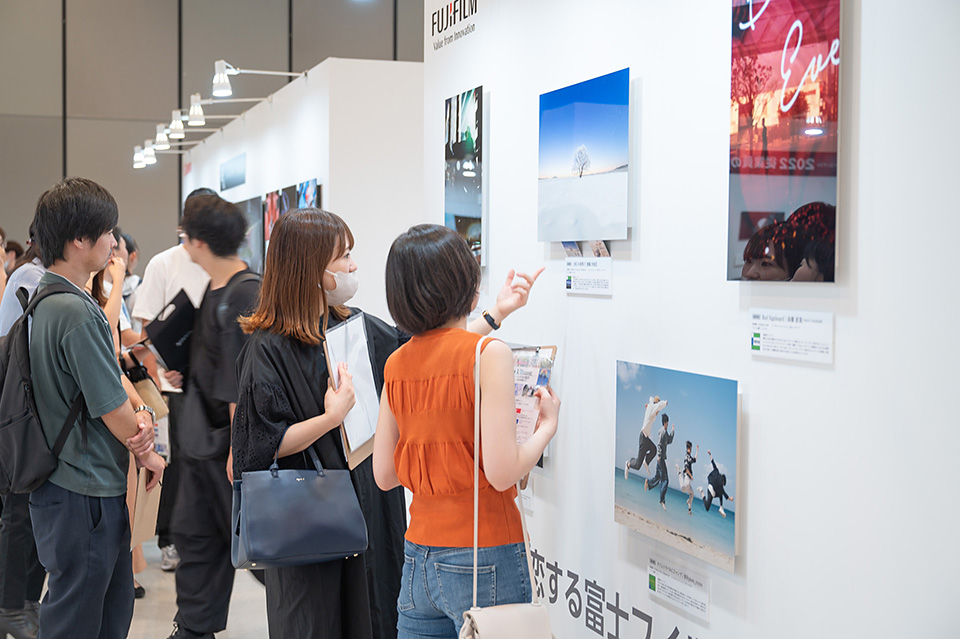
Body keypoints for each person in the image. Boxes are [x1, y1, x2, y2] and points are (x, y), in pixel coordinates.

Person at [233, 211, 541, 639]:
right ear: (311, 268)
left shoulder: (354, 325)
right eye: (343, 257)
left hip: (373, 511)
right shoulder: (267, 348)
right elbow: (257, 446)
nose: (353, 265)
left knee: (377, 613)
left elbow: (432, 352)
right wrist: (330, 418)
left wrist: (495, 314)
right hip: (308, 521)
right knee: (315, 622)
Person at [373, 224, 560, 639]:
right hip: (485, 553)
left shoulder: (396, 364)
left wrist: (497, 315)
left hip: (418, 556)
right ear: (467, 287)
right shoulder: (490, 354)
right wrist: (546, 429)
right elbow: (502, 473)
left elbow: (384, 475)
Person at [28, 177, 164, 639]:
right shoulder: (75, 311)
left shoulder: (46, 300)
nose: (113, 242)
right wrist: (144, 434)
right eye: (107, 232)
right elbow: (113, 407)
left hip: (64, 486)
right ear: (78, 240)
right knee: (83, 619)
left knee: (89, 610)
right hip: (84, 490)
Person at [163, 194, 259, 639]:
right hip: (202, 447)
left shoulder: (244, 293)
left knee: (260, 554)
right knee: (196, 540)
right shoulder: (216, 288)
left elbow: (243, 384)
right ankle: (192, 630)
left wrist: (239, 451)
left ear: (198, 242)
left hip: (226, 454)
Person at [131, 188, 213, 574]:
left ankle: (207, 535)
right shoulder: (165, 263)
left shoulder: (222, 264)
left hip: (214, 384)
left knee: (209, 461)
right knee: (175, 464)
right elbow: (148, 325)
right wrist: (165, 365)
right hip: (174, 385)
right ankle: (169, 539)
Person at [0, 228, 45, 639]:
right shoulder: (29, 277)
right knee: (17, 513)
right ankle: (10, 606)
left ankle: (27, 601)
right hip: (19, 408)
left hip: (35, 410)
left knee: (32, 513)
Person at [625, 395, 667, 480]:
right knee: (637, 466)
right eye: (657, 411)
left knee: (654, 450)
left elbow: (652, 415)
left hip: (645, 438)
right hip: (643, 439)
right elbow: (659, 406)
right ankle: (628, 464)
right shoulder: (653, 407)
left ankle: (645, 461)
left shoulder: (650, 410)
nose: (657, 412)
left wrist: (649, 408)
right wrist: (665, 403)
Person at [644, 413, 674, 510]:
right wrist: (659, 455)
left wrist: (673, 431)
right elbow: (659, 444)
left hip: (661, 458)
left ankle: (648, 482)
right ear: (665, 422)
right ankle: (662, 500)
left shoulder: (665, 432)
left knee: (658, 476)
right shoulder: (662, 432)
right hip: (660, 458)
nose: (668, 424)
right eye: (667, 423)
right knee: (665, 479)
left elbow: (669, 441)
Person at [698, 450, 734, 518]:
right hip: (712, 491)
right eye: (723, 484)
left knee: (707, 508)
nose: (723, 485)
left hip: (710, 489)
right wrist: (730, 498)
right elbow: (724, 493)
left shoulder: (717, 471)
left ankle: (701, 491)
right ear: (723, 481)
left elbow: (713, 463)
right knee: (721, 493)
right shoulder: (720, 484)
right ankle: (721, 507)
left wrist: (710, 454)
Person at [675, 441, 698, 514]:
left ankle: (689, 508)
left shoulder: (689, 457)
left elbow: (695, 460)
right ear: (688, 448)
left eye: (691, 448)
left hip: (688, 481)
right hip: (687, 478)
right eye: (690, 448)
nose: (691, 450)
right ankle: (679, 473)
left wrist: (697, 450)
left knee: (692, 494)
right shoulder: (686, 457)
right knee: (683, 489)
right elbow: (686, 468)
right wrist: (691, 476)